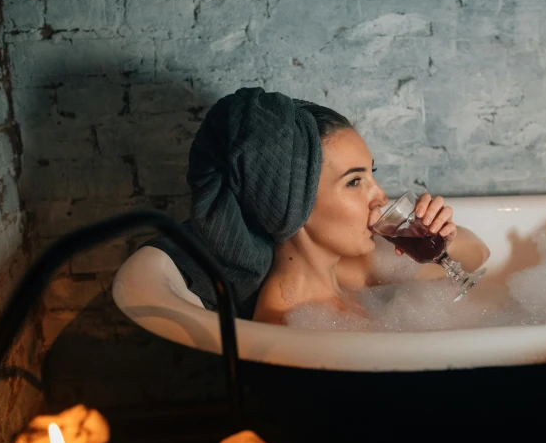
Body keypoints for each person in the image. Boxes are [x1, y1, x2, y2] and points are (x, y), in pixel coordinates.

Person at [145, 87, 489, 324]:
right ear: (294, 205)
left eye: (372, 174)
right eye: (355, 182)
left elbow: (479, 255)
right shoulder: (289, 327)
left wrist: (445, 236)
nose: (380, 196)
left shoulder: (351, 269)